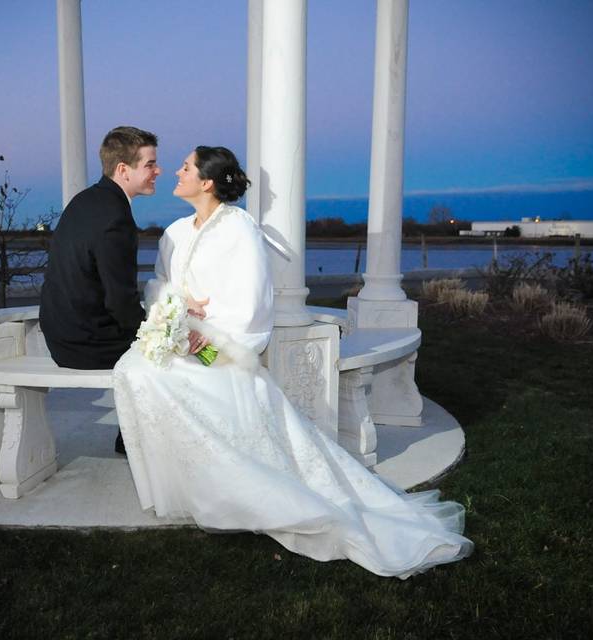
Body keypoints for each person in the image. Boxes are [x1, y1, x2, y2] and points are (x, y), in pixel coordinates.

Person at [112, 146, 474, 577]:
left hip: (220, 352)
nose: (177, 171)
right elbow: (157, 286)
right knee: (133, 370)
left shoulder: (241, 231)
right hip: (177, 337)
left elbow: (251, 309)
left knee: (171, 378)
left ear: (207, 181)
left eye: (186, 167)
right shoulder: (173, 232)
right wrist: (173, 312)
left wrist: (201, 343)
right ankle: (184, 483)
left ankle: (239, 491)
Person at [40, 126, 160, 454]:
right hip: (87, 342)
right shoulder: (115, 218)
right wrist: (155, 333)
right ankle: (141, 441)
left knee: (169, 339)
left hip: (61, 334)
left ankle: (131, 434)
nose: (157, 171)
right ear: (124, 169)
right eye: (149, 164)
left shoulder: (86, 200)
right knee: (177, 352)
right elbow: (120, 301)